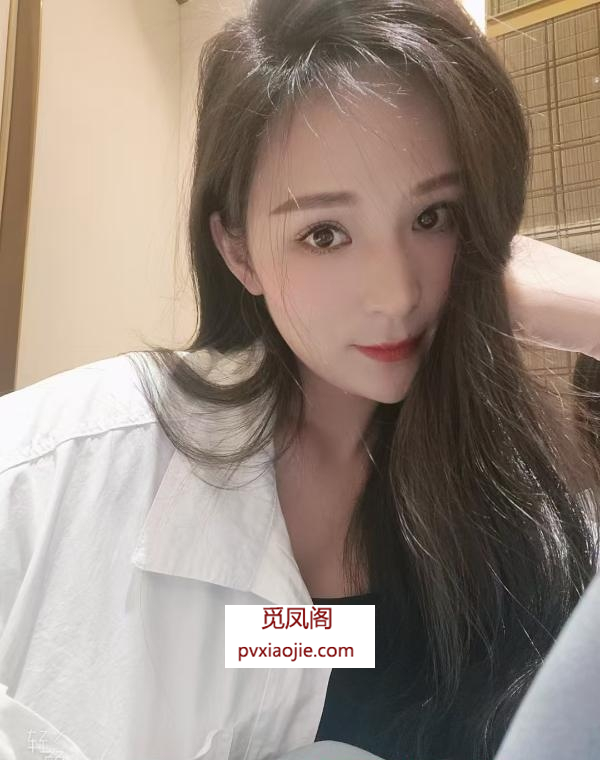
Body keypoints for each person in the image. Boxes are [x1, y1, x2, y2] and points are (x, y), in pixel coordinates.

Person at [1, 1, 599, 759]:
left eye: (433, 217)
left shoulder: (531, 513)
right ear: (238, 250)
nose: (396, 294)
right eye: (324, 234)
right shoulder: (62, 462)